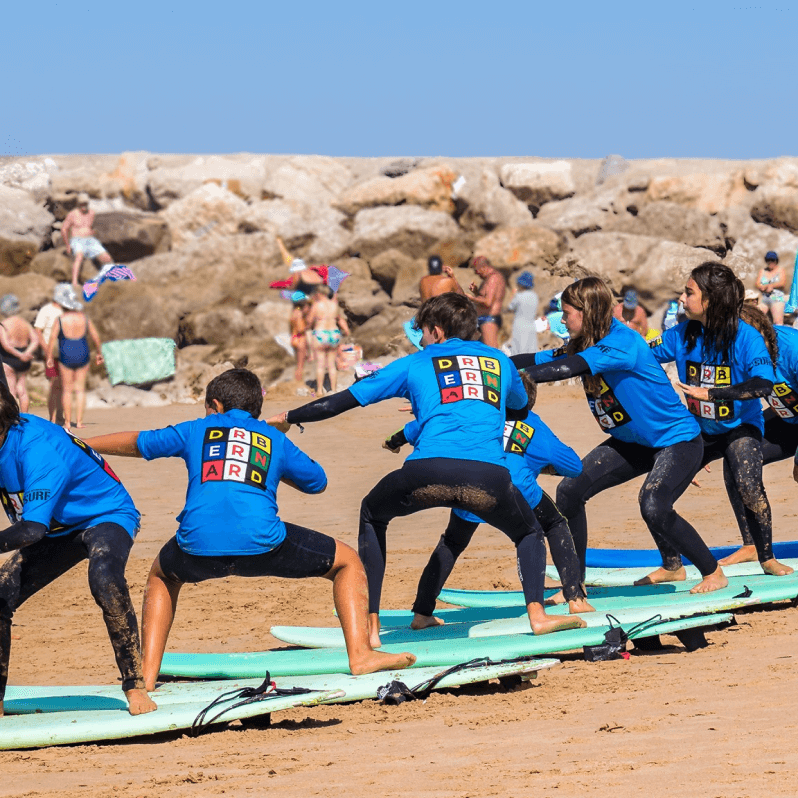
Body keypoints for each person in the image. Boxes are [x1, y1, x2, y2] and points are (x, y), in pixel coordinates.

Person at [269, 293, 586, 645]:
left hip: (425, 473)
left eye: (421, 332)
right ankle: (538, 616)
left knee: (373, 515)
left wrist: (289, 417)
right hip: (489, 479)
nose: (420, 340)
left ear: (436, 330)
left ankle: (371, 627)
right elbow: (520, 406)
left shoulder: (414, 363)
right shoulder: (499, 359)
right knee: (528, 533)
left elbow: (344, 400)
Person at [83, 369, 415, 689]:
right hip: (264, 546)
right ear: (257, 408)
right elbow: (317, 482)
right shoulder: (272, 437)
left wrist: (81, 444)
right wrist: (273, 454)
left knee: (161, 576)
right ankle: (361, 655)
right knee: (348, 562)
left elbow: (138, 443)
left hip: (197, 548)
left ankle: (147, 675)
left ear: (216, 405)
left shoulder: (195, 429)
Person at [512, 276, 726, 594]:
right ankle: (577, 583)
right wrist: (489, 365)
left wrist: (515, 380)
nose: (562, 319)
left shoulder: (620, 343)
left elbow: (564, 369)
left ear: (587, 313)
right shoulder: (581, 346)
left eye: (567, 312)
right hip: (632, 443)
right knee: (570, 491)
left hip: (676, 440)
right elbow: (535, 360)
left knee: (653, 503)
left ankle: (712, 572)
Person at [384, 370, 592, 626]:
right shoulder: (534, 426)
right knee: (554, 524)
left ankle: (422, 613)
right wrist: (544, 466)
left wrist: (394, 440)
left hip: (470, 488)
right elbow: (574, 467)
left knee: (451, 543)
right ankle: (574, 598)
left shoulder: (474, 414)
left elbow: (417, 428)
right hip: (515, 494)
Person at [0, 382, 154, 717]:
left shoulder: (37, 449)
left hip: (104, 515)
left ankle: (135, 686)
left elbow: (31, 530)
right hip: (54, 528)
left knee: (105, 578)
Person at [649, 261, 793, 579]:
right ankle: (678, 563)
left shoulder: (766, 343)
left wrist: (712, 394)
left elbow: (760, 385)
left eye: (688, 293)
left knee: (747, 476)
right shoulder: (685, 335)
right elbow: (644, 355)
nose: (682, 299)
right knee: (657, 492)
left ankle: (766, 556)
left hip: (752, 426)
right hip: (723, 426)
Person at [713, 306, 798, 565]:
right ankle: (752, 544)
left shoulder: (792, 348)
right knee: (738, 456)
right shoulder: (737, 351)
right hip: (788, 420)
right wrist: (699, 450)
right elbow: (730, 401)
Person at [44, 286, 104, 431]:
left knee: (67, 390)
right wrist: (99, 352)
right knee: (80, 389)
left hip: (66, 354)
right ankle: (79, 422)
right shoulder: (84, 318)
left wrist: (49, 357)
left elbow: (52, 339)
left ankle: (66, 423)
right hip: (82, 352)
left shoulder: (60, 319)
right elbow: (95, 336)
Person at [33, 284, 71, 423]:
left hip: (67, 352)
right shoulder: (46, 310)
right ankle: (53, 418)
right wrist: (46, 349)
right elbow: (38, 330)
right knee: (54, 385)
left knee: (65, 385)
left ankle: (61, 417)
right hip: (52, 353)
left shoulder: (68, 310)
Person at [61, 193, 113, 287]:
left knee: (107, 258)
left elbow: (93, 226)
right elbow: (64, 229)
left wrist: (93, 232)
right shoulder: (72, 214)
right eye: (81, 204)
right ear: (78, 204)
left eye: (85, 203)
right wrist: (67, 245)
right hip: (77, 240)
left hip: (90, 240)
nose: (83, 206)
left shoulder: (92, 213)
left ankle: (112, 278)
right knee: (79, 257)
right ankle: (74, 282)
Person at [308, 285, 350, 394]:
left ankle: (319, 390)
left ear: (318, 293)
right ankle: (334, 390)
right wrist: (346, 331)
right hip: (334, 334)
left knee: (321, 364)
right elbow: (340, 320)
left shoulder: (316, 305)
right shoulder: (334, 305)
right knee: (332, 364)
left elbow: (309, 321)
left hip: (321, 333)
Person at [0, 295, 37, 413]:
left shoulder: (3, 324)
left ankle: (14, 417)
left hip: (9, 359)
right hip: (24, 359)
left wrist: (19, 355)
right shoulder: (24, 323)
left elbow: (6, 345)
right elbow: (35, 340)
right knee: (22, 389)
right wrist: (26, 353)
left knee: (11, 390)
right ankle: (25, 415)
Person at [469, 256, 507, 349]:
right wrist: (476, 292)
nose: (476, 273)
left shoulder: (493, 278)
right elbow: (486, 298)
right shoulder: (489, 278)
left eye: (476, 270)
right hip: (485, 319)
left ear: (483, 267)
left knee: (491, 351)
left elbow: (488, 302)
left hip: (489, 319)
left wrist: (471, 298)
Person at [507, 271, 539, 355]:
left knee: (519, 349)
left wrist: (512, 295)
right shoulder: (534, 296)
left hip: (520, 325)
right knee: (530, 347)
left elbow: (510, 308)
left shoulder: (519, 296)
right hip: (531, 324)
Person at [757, 251, 787, 326]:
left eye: (772, 260)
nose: (770, 262)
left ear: (776, 261)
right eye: (768, 260)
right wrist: (761, 287)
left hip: (777, 298)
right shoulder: (763, 271)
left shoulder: (780, 270)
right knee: (757, 317)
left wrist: (771, 286)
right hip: (764, 299)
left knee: (778, 322)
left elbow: (783, 283)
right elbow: (757, 283)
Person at [289, 291, 311, 383]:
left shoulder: (294, 312)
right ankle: (298, 383)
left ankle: (298, 381)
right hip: (300, 338)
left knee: (298, 363)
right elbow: (300, 329)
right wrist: (308, 326)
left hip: (294, 338)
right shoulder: (299, 313)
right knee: (300, 365)